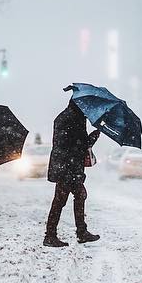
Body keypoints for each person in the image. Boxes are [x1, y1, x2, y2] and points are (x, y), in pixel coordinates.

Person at [43, 95, 101, 247]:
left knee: (78, 195)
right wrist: (95, 135)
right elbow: (80, 144)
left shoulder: (67, 116)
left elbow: (73, 143)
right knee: (60, 200)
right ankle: (51, 235)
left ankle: (80, 232)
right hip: (68, 167)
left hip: (66, 166)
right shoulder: (73, 119)